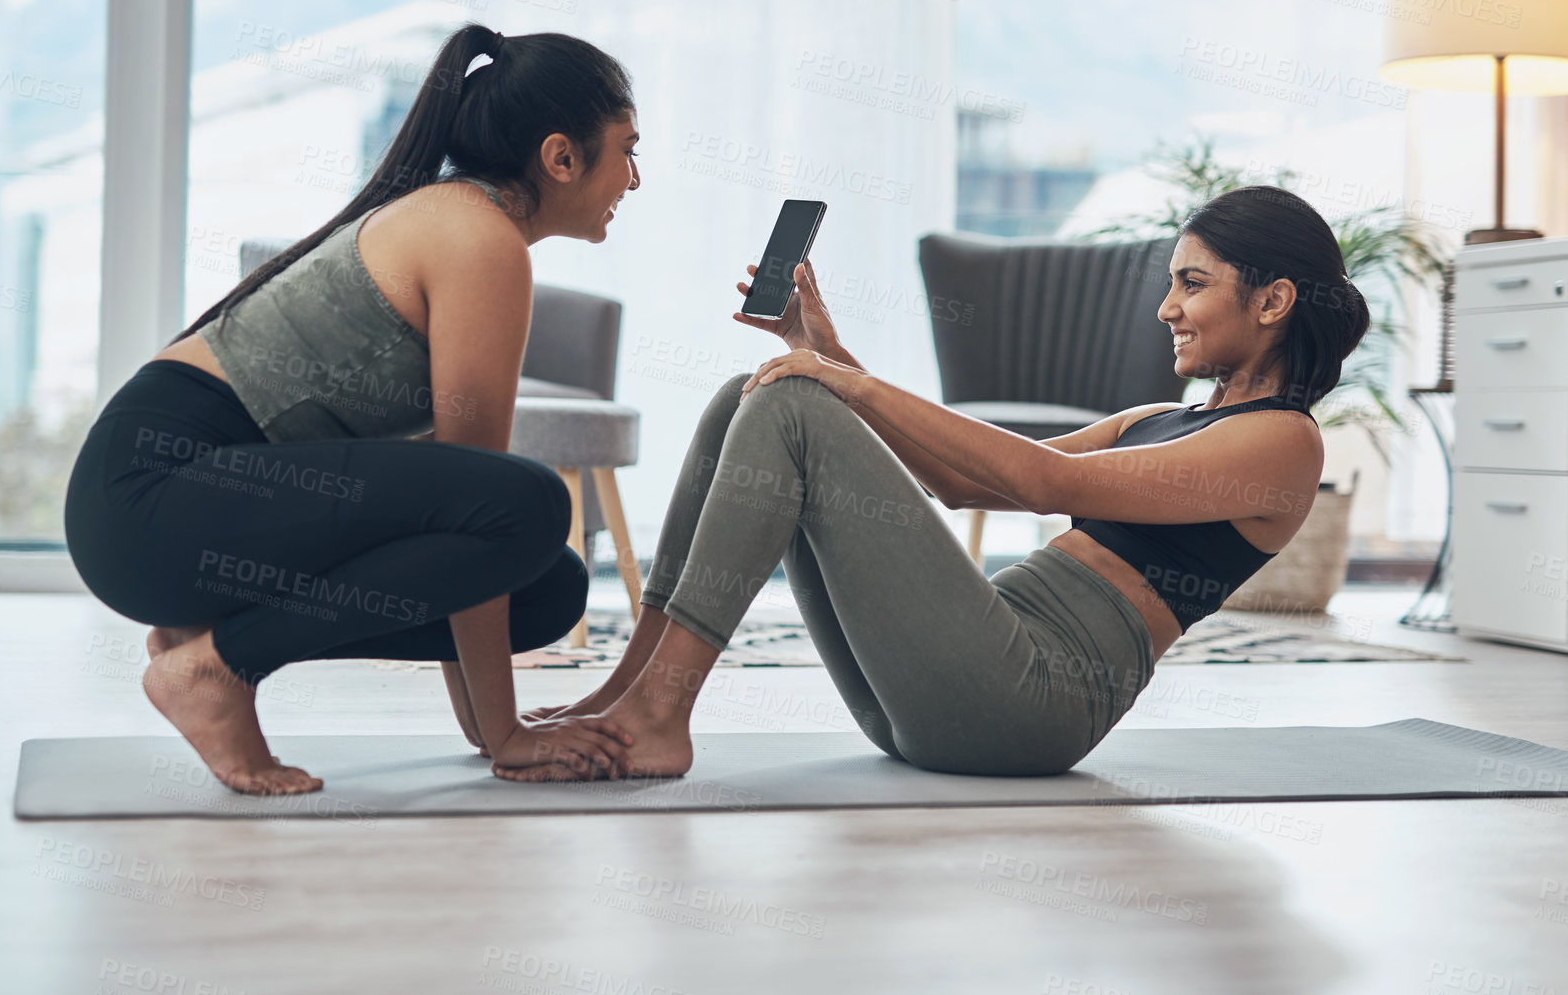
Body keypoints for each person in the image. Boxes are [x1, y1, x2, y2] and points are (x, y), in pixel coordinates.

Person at [507, 186, 1369, 782]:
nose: (1166, 308)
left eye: (1192, 284)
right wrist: (830, 351)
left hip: (1032, 702)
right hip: (956, 682)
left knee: (792, 398)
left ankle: (661, 717)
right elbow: (964, 482)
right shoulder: (1158, 416)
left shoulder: (1281, 444)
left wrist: (840, 383)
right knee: (755, 391)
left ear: (1272, 300)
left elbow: (1039, 480)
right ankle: (625, 692)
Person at [62, 22, 644, 795]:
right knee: (531, 503)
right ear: (561, 156)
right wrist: (505, 735)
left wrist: (487, 731)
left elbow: (459, 510)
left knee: (550, 584)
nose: (634, 179)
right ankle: (218, 665)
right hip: (149, 496)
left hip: (167, 519)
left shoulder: (461, 220)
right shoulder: (478, 238)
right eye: (627, 149)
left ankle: (204, 636)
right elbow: (481, 489)